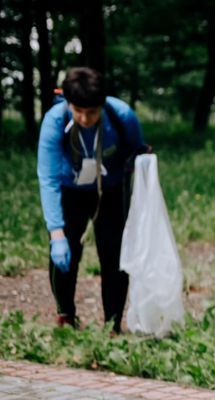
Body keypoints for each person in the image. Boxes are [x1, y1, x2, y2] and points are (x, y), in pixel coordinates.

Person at [36, 67, 147, 332]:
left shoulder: (122, 116)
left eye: (92, 112)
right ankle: (66, 317)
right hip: (70, 189)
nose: (85, 118)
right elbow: (48, 178)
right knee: (65, 254)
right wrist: (56, 234)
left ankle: (112, 325)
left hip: (109, 191)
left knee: (113, 256)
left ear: (103, 105)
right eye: (79, 111)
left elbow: (139, 157)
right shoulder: (55, 121)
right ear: (68, 103)